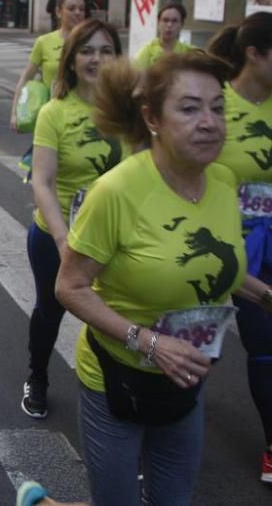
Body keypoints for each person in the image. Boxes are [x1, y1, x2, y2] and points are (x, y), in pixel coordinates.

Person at [56, 50, 272, 505]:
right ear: (152, 117)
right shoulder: (115, 191)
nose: (210, 121)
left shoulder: (224, 181)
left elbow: (215, 267)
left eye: (218, 108)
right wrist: (150, 342)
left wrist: (267, 295)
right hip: (117, 379)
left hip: (186, 381)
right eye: (190, 108)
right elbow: (69, 286)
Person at [22, 19, 126, 420]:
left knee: (115, 319)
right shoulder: (55, 112)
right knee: (50, 311)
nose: (96, 59)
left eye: (105, 50)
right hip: (57, 236)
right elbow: (43, 183)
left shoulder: (129, 111)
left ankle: (114, 397)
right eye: (87, 50)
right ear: (71, 59)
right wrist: (66, 242)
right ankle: (38, 376)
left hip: (115, 239)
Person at [209, 11, 272, 482]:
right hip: (222, 243)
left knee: (265, 346)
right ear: (254, 54)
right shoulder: (216, 105)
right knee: (201, 348)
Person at [10, 0, 87, 131]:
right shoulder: (44, 42)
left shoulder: (91, 43)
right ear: (58, 12)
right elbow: (26, 77)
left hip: (83, 119)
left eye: (81, 9)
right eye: (71, 8)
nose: (78, 13)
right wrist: (15, 112)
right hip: (51, 118)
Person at [134, 2, 194, 69]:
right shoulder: (147, 52)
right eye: (165, 20)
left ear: (182, 24)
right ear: (158, 23)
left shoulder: (189, 53)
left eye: (174, 21)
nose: (169, 25)